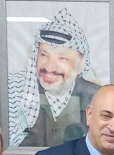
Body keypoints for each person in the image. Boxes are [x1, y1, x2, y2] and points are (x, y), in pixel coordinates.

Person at [8, 8, 101, 147]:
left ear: (81, 63)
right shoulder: (18, 90)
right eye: (44, 55)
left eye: (62, 58)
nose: (49, 67)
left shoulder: (96, 95)